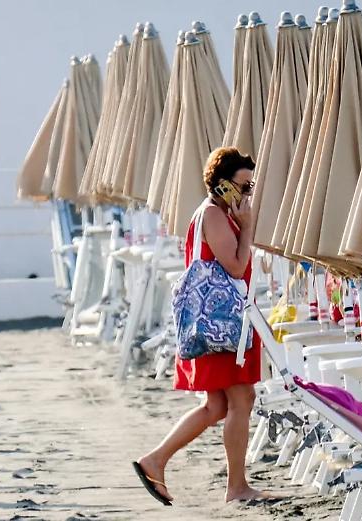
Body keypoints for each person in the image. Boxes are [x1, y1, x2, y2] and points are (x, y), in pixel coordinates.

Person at [133, 147, 264, 505]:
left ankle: (155, 460)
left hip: (215, 324)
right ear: (223, 186)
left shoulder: (213, 214)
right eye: (244, 186)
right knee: (242, 398)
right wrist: (248, 226)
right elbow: (236, 267)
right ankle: (236, 487)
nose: (248, 194)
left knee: (217, 407)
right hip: (223, 325)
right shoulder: (214, 216)